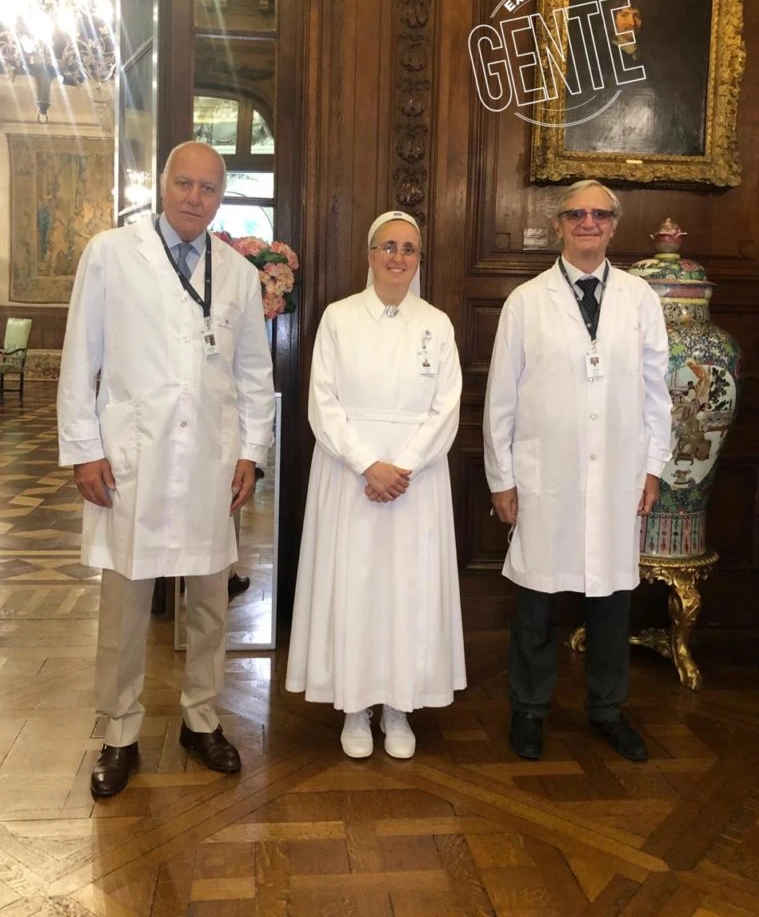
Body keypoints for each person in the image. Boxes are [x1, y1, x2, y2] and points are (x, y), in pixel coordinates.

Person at [58, 141, 275, 797]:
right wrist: (85, 448)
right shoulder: (111, 255)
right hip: (134, 459)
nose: (193, 197)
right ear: (162, 183)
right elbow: (78, 357)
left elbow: (253, 374)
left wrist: (251, 455)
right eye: (183, 183)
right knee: (124, 603)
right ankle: (120, 730)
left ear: (219, 196)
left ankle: (200, 717)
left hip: (210, 462)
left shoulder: (235, 272)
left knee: (210, 600)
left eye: (208, 188)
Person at [483, 180, 672, 763]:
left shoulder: (640, 298)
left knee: (612, 600)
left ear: (614, 225)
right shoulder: (526, 301)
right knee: (537, 601)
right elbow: (501, 398)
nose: (588, 222)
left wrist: (652, 468)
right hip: (547, 475)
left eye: (599, 214)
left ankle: (607, 710)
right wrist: (502, 478)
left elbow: (656, 392)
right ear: (559, 224)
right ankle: (530, 710)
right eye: (576, 214)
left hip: (617, 472)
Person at [286, 210, 466, 758]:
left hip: (416, 481)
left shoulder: (438, 324)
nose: (397, 257)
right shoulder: (339, 319)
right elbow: (323, 402)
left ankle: (399, 705)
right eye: (387, 246)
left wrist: (403, 466)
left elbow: (447, 408)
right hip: (350, 478)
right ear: (369, 255)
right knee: (354, 586)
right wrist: (369, 464)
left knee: (407, 590)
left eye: (408, 248)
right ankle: (356, 707)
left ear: (418, 260)